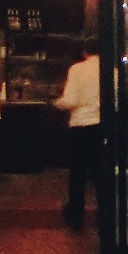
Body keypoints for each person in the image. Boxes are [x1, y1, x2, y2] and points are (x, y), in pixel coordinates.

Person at [54, 42, 102, 229]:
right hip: (101, 126)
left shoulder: (77, 69)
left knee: (78, 172)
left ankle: (75, 212)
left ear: (83, 52)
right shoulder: (111, 70)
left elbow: (71, 99)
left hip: (81, 125)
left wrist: (56, 103)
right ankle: (104, 212)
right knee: (100, 172)